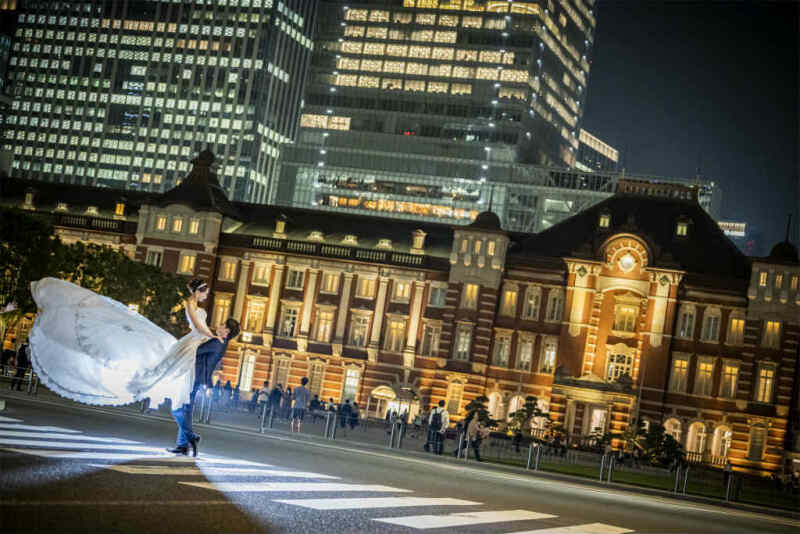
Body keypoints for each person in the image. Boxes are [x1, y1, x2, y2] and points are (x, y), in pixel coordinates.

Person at [27, 277, 239, 456]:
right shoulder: (198, 315)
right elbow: (198, 327)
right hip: (188, 354)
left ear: (226, 332)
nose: (206, 296)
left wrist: (209, 336)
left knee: (180, 404)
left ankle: (187, 440)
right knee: (180, 404)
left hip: (190, 363)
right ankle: (186, 442)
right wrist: (209, 334)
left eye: (222, 327)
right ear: (199, 291)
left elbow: (201, 347)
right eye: (205, 293)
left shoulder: (217, 341)